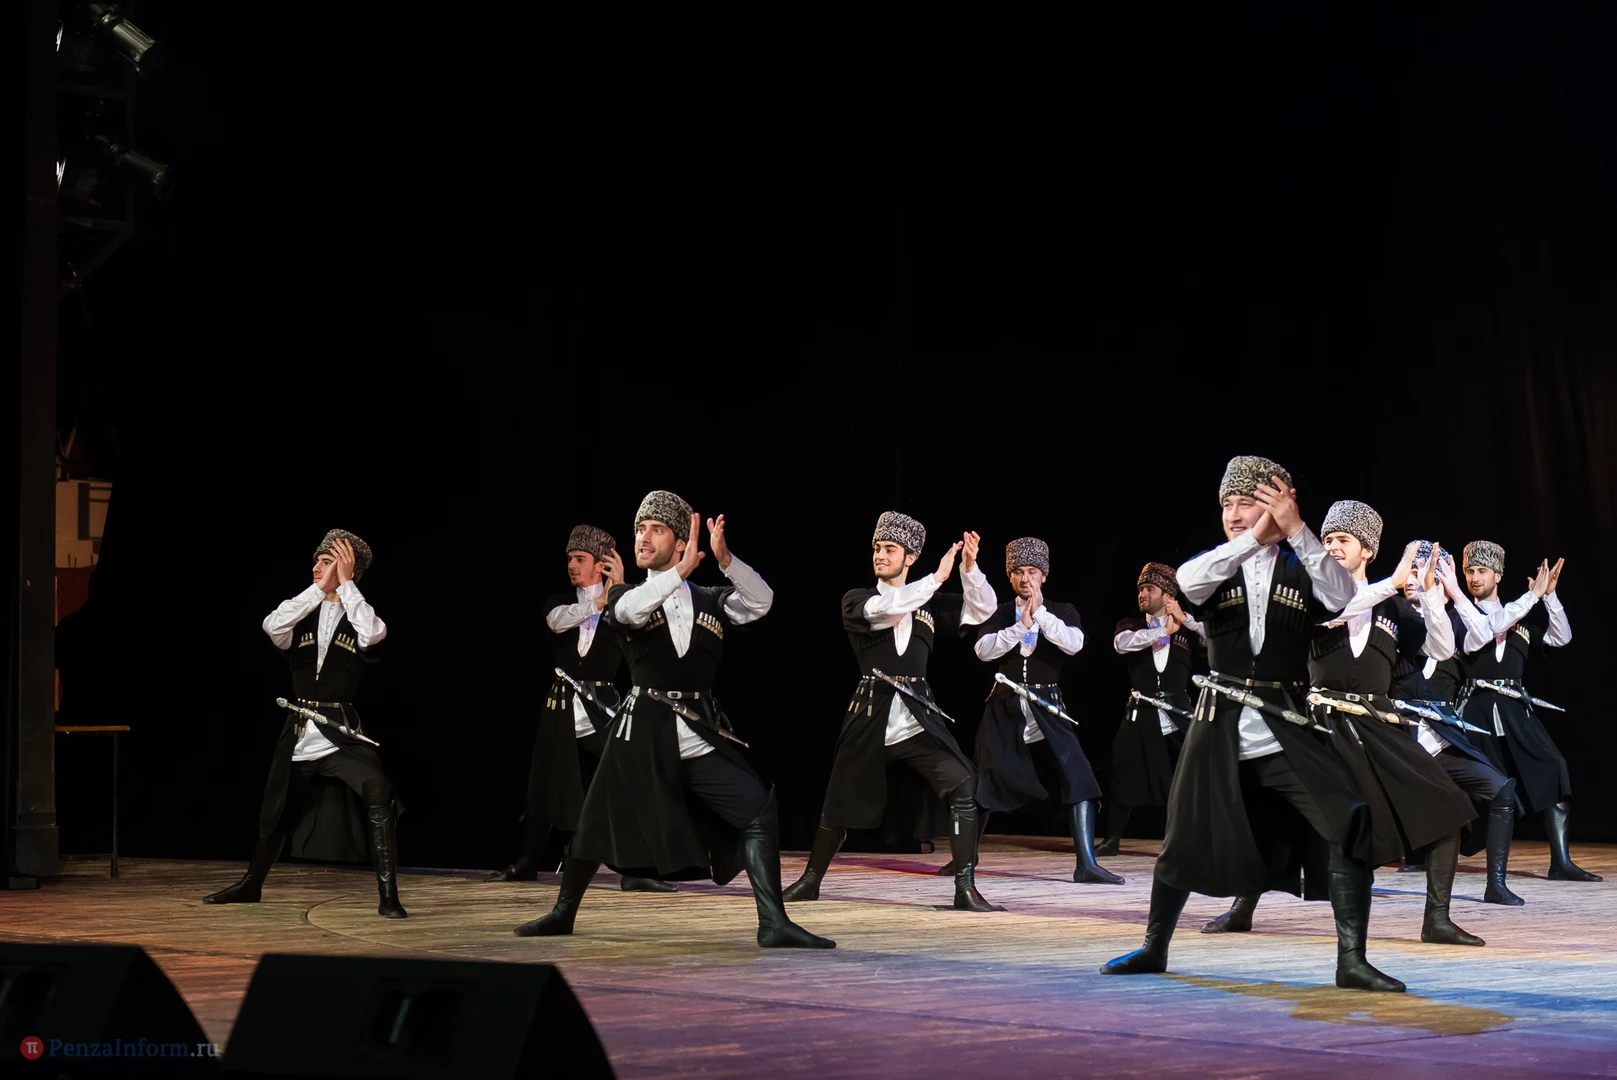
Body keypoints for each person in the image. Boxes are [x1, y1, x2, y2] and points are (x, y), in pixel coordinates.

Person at [1100, 456, 1404, 992]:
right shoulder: (1217, 565)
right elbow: (1187, 582)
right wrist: (1253, 538)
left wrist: (1298, 531)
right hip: (1218, 721)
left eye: (1248, 503)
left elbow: (1342, 596)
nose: (1235, 514)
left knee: (1349, 818)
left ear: (1277, 505)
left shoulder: (1302, 565)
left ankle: (1351, 961)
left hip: (1284, 724)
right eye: (1228, 504)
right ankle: (1154, 947)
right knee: (1182, 834)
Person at [515, 491, 833, 948]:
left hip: (698, 729)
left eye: (656, 529)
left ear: (681, 542)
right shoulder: (626, 594)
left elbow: (761, 601)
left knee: (756, 810)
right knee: (594, 823)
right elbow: (626, 611)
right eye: (639, 529)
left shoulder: (709, 598)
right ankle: (563, 913)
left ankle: (773, 922)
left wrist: (726, 561)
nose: (643, 538)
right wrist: (678, 573)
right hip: (641, 730)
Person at [1199, 502, 1481, 946]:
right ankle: (1242, 907)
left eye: (1342, 540)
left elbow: (1442, 649)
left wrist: (1428, 594)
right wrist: (1391, 584)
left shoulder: (1393, 609)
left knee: (1448, 807)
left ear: (1366, 550)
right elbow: (1337, 611)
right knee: (1275, 816)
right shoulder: (1313, 596)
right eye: (1327, 539)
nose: (1331, 546)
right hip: (1320, 725)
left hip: (1376, 727)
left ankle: (1437, 920)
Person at [782, 512, 1001, 911]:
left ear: (909, 557)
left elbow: (982, 611)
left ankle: (965, 888)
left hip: (917, 720)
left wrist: (969, 570)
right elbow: (889, 606)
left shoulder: (929, 603)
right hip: (870, 715)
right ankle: (811, 881)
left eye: (890, 549)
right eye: (877, 548)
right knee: (839, 803)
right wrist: (936, 578)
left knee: (964, 784)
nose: (880, 555)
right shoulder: (858, 599)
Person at [204, 530, 405, 918]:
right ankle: (252, 884)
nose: (316, 567)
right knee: (277, 808)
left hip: (340, 732)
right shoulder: (300, 613)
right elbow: (272, 625)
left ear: (347, 570)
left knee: (378, 790)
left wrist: (346, 584)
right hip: (300, 731)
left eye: (327, 561)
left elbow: (373, 633)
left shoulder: (360, 616)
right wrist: (320, 589)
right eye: (316, 560)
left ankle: (388, 895)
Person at [487, 525, 673, 893]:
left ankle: (633, 870)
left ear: (600, 564)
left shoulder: (623, 604)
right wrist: (599, 601)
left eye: (580, 558)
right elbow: (557, 622)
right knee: (545, 787)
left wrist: (618, 594)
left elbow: (637, 626)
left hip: (601, 710)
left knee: (625, 784)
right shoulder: (560, 601)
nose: (571, 565)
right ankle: (527, 862)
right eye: (570, 558)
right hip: (561, 709)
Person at [962, 537, 1119, 884]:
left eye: (1032, 571)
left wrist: (1040, 615)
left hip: (1047, 705)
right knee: (985, 778)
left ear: (1044, 575)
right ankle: (965, 859)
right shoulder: (999, 611)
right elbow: (983, 650)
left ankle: (1086, 864)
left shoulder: (1062, 610)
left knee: (1079, 775)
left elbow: (1075, 644)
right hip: (1004, 705)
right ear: (1009, 576)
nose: (1025, 578)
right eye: (1018, 571)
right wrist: (1020, 625)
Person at [1454, 543, 1597, 881]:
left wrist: (1549, 596)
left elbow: (1561, 638)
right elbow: (1489, 628)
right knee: (1484, 785)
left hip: (1514, 707)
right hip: (1477, 708)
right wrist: (1532, 597)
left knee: (1553, 767)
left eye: (1482, 571)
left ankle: (1560, 861)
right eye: (1470, 571)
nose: (1474, 577)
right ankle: (1437, 850)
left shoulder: (1519, 620)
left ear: (1498, 575)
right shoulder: (1462, 616)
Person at [1101, 562, 1204, 856]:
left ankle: (1188, 840)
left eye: (1150, 589)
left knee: (1189, 777)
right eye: (1141, 589)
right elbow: (1122, 644)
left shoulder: (1187, 631)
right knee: (1123, 774)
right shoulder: (1132, 626)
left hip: (1178, 713)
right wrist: (1161, 632)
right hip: (1141, 711)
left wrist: (1185, 620)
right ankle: (1112, 839)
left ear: (1168, 595)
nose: (1142, 594)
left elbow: (1214, 641)